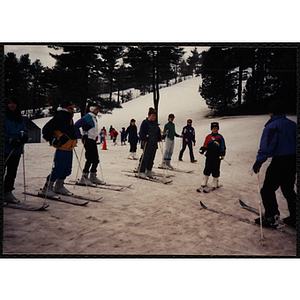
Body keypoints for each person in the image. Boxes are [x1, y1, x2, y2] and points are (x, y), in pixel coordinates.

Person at [252, 101, 297, 228]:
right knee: (288, 189)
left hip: (280, 161)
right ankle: (295, 216)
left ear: (271, 113)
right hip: (292, 160)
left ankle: (271, 217)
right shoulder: (293, 125)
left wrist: (258, 162)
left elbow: (267, 147)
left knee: (267, 190)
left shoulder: (272, 126)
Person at [40, 100, 77, 196]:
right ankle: (47, 188)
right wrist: (52, 140)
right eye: (70, 108)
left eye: (72, 108)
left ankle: (59, 186)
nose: (72, 110)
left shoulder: (69, 118)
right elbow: (46, 129)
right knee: (59, 169)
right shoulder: (60, 117)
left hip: (69, 147)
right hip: (62, 148)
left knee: (67, 169)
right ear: (64, 108)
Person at [4, 96, 29, 203]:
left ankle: (7, 192)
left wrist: (24, 137)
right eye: (10, 103)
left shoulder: (20, 118)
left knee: (12, 171)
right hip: (6, 148)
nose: (12, 105)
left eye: (14, 103)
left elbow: (25, 130)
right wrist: (9, 140)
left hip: (17, 149)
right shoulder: (4, 116)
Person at [74, 100, 104, 185]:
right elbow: (76, 125)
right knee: (90, 158)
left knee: (96, 159)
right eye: (96, 109)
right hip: (88, 140)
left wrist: (95, 136)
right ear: (92, 109)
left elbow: (92, 129)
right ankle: (84, 177)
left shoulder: (94, 117)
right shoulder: (87, 117)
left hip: (93, 140)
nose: (98, 111)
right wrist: (79, 135)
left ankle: (93, 176)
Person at [198, 122, 226, 191]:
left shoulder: (220, 137)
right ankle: (205, 180)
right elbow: (205, 145)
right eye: (214, 128)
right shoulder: (208, 137)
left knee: (215, 169)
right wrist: (203, 149)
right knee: (207, 168)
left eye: (216, 128)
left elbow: (223, 147)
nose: (215, 130)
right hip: (209, 156)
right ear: (211, 129)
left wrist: (222, 154)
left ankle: (215, 182)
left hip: (216, 157)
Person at [138, 107, 162, 178]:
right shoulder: (145, 123)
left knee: (152, 157)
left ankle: (149, 170)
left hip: (154, 143)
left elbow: (158, 133)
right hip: (147, 142)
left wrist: (160, 137)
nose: (154, 117)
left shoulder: (155, 124)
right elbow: (141, 132)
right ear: (149, 116)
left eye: (155, 116)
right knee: (146, 157)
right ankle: (141, 171)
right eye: (152, 116)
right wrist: (143, 137)